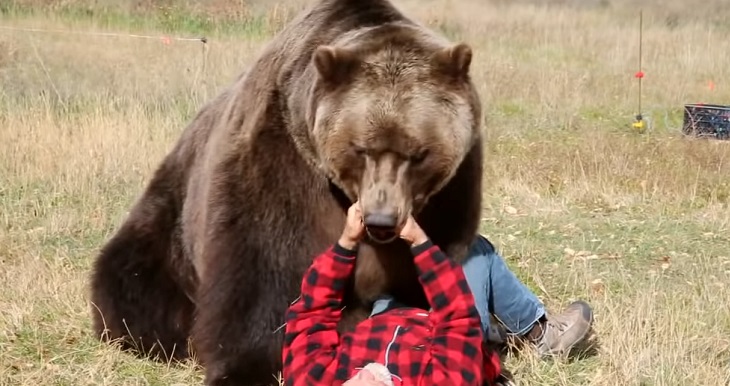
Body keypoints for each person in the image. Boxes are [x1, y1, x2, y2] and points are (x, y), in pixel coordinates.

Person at [282, 201, 505, 386]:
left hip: (384, 316)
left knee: (387, 260)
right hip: (444, 329)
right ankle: (534, 325)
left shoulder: (313, 380)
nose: (362, 375)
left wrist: (347, 242)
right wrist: (419, 241)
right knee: (473, 249)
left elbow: (312, 312)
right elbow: (458, 318)